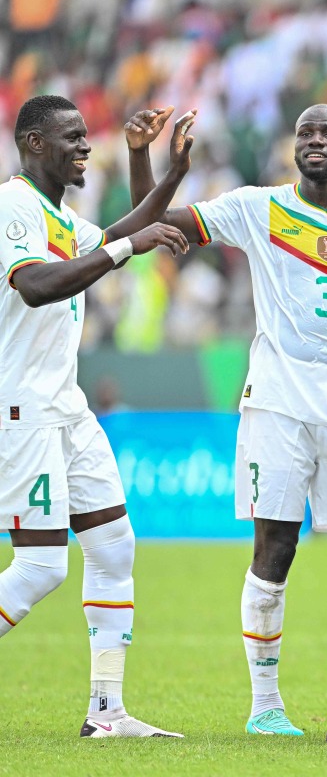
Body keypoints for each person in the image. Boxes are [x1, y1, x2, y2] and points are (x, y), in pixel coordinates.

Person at [131, 104, 327, 736]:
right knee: (275, 547)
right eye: (306, 132)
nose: (316, 140)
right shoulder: (255, 205)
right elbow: (153, 222)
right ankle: (265, 707)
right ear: (290, 147)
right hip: (277, 400)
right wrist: (148, 160)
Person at [0, 95, 192, 738]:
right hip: (21, 407)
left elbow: (122, 235)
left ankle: (107, 714)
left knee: (114, 547)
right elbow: (35, 285)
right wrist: (124, 247)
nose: (86, 146)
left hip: (66, 405)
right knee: (41, 568)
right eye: (71, 137)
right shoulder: (15, 205)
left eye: (86, 137)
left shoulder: (60, 215)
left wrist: (164, 170)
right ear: (33, 143)